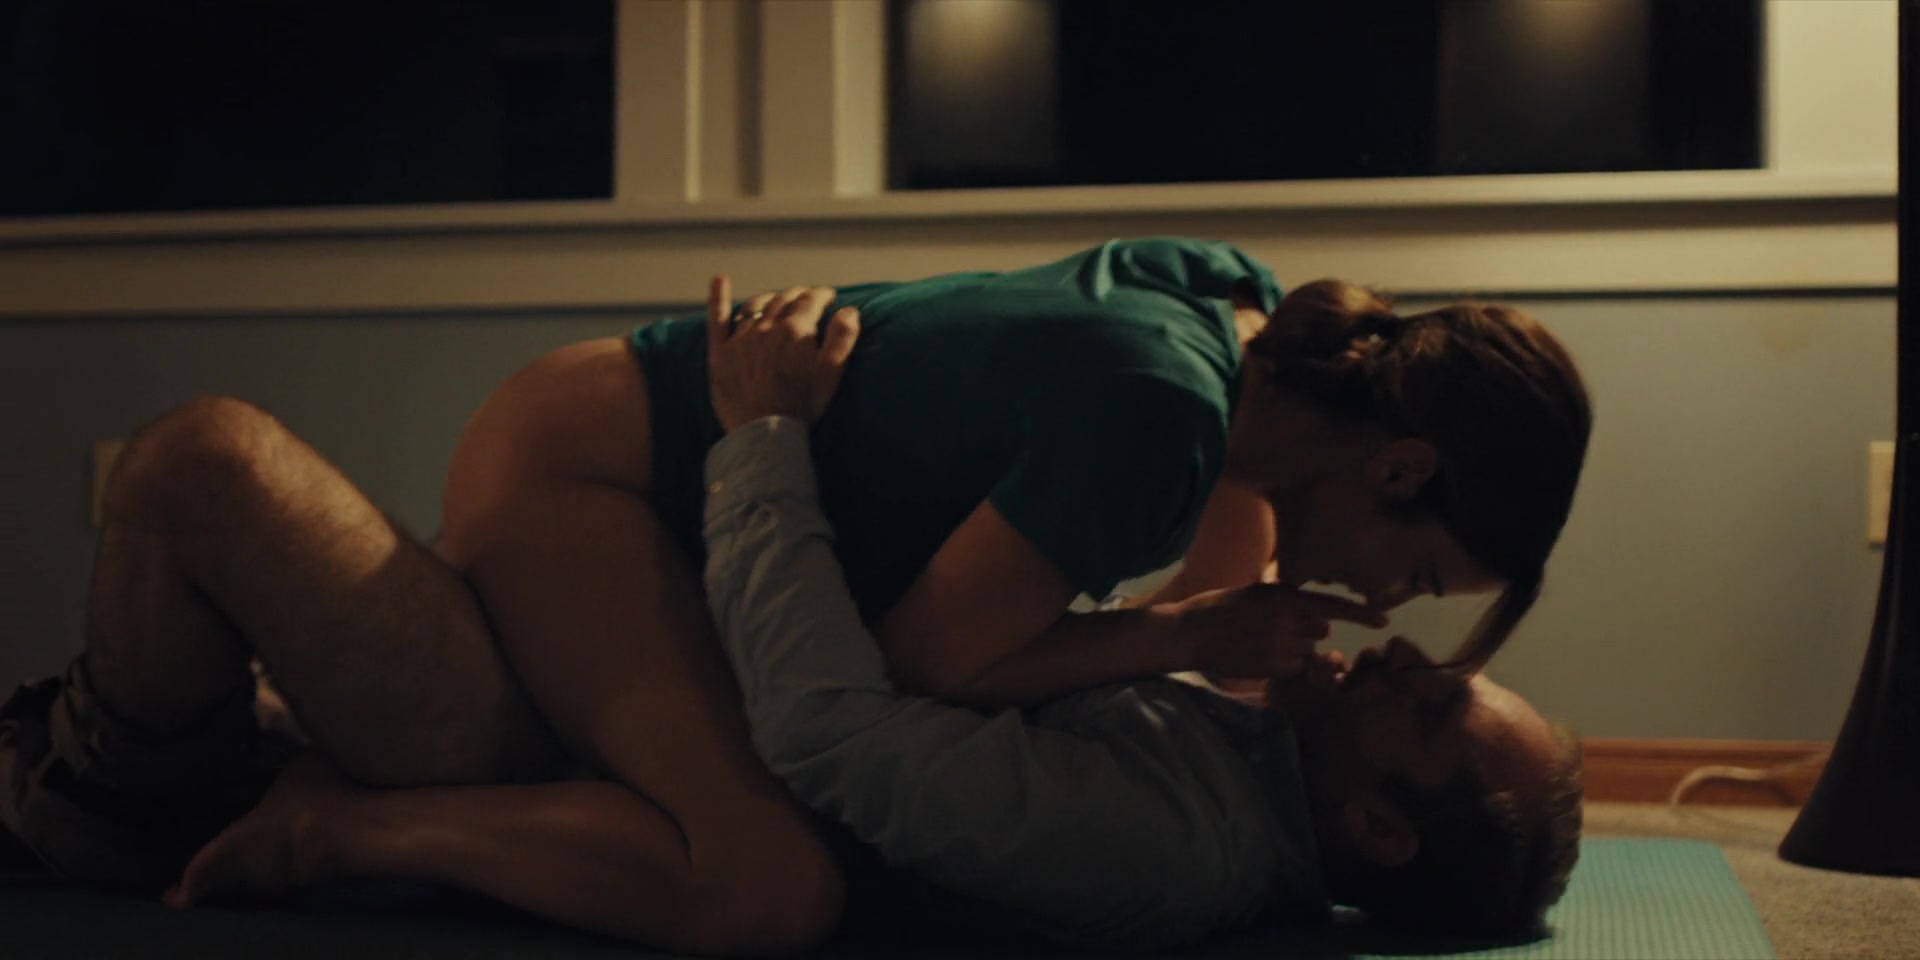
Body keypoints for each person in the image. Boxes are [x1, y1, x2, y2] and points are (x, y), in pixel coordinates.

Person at [0, 238, 1590, 954]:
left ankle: (220, 736)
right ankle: (217, 800)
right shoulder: (1167, 424)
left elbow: (1232, 571)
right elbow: (922, 664)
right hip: (599, 483)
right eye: (1422, 576)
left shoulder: (1241, 336)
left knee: (291, 550)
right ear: (1399, 468)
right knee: (758, 880)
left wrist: (1232, 636)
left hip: (636, 481)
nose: (1387, 610)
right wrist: (1186, 634)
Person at [688, 285, 1585, 946]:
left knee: (768, 897)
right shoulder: (1246, 758)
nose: (1401, 647)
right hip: (760, 507)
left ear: (1379, 829)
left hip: (723, 611)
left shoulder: (1169, 844)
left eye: (1428, 708)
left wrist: (762, 438)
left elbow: (829, 730)